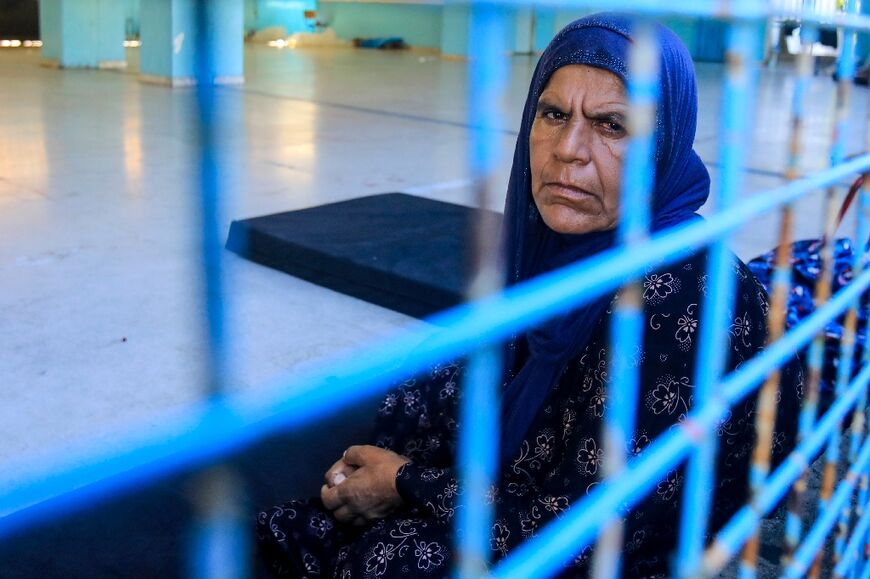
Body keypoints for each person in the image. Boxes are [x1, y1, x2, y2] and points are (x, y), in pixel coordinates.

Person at [256, 13, 803, 578]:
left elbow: (587, 532)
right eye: (553, 113)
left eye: (613, 126)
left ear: (663, 144)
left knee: (396, 561)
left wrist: (405, 482)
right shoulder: (553, 238)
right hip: (574, 448)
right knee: (428, 383)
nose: (569, 149)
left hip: (626, 530)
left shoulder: (670, 294)